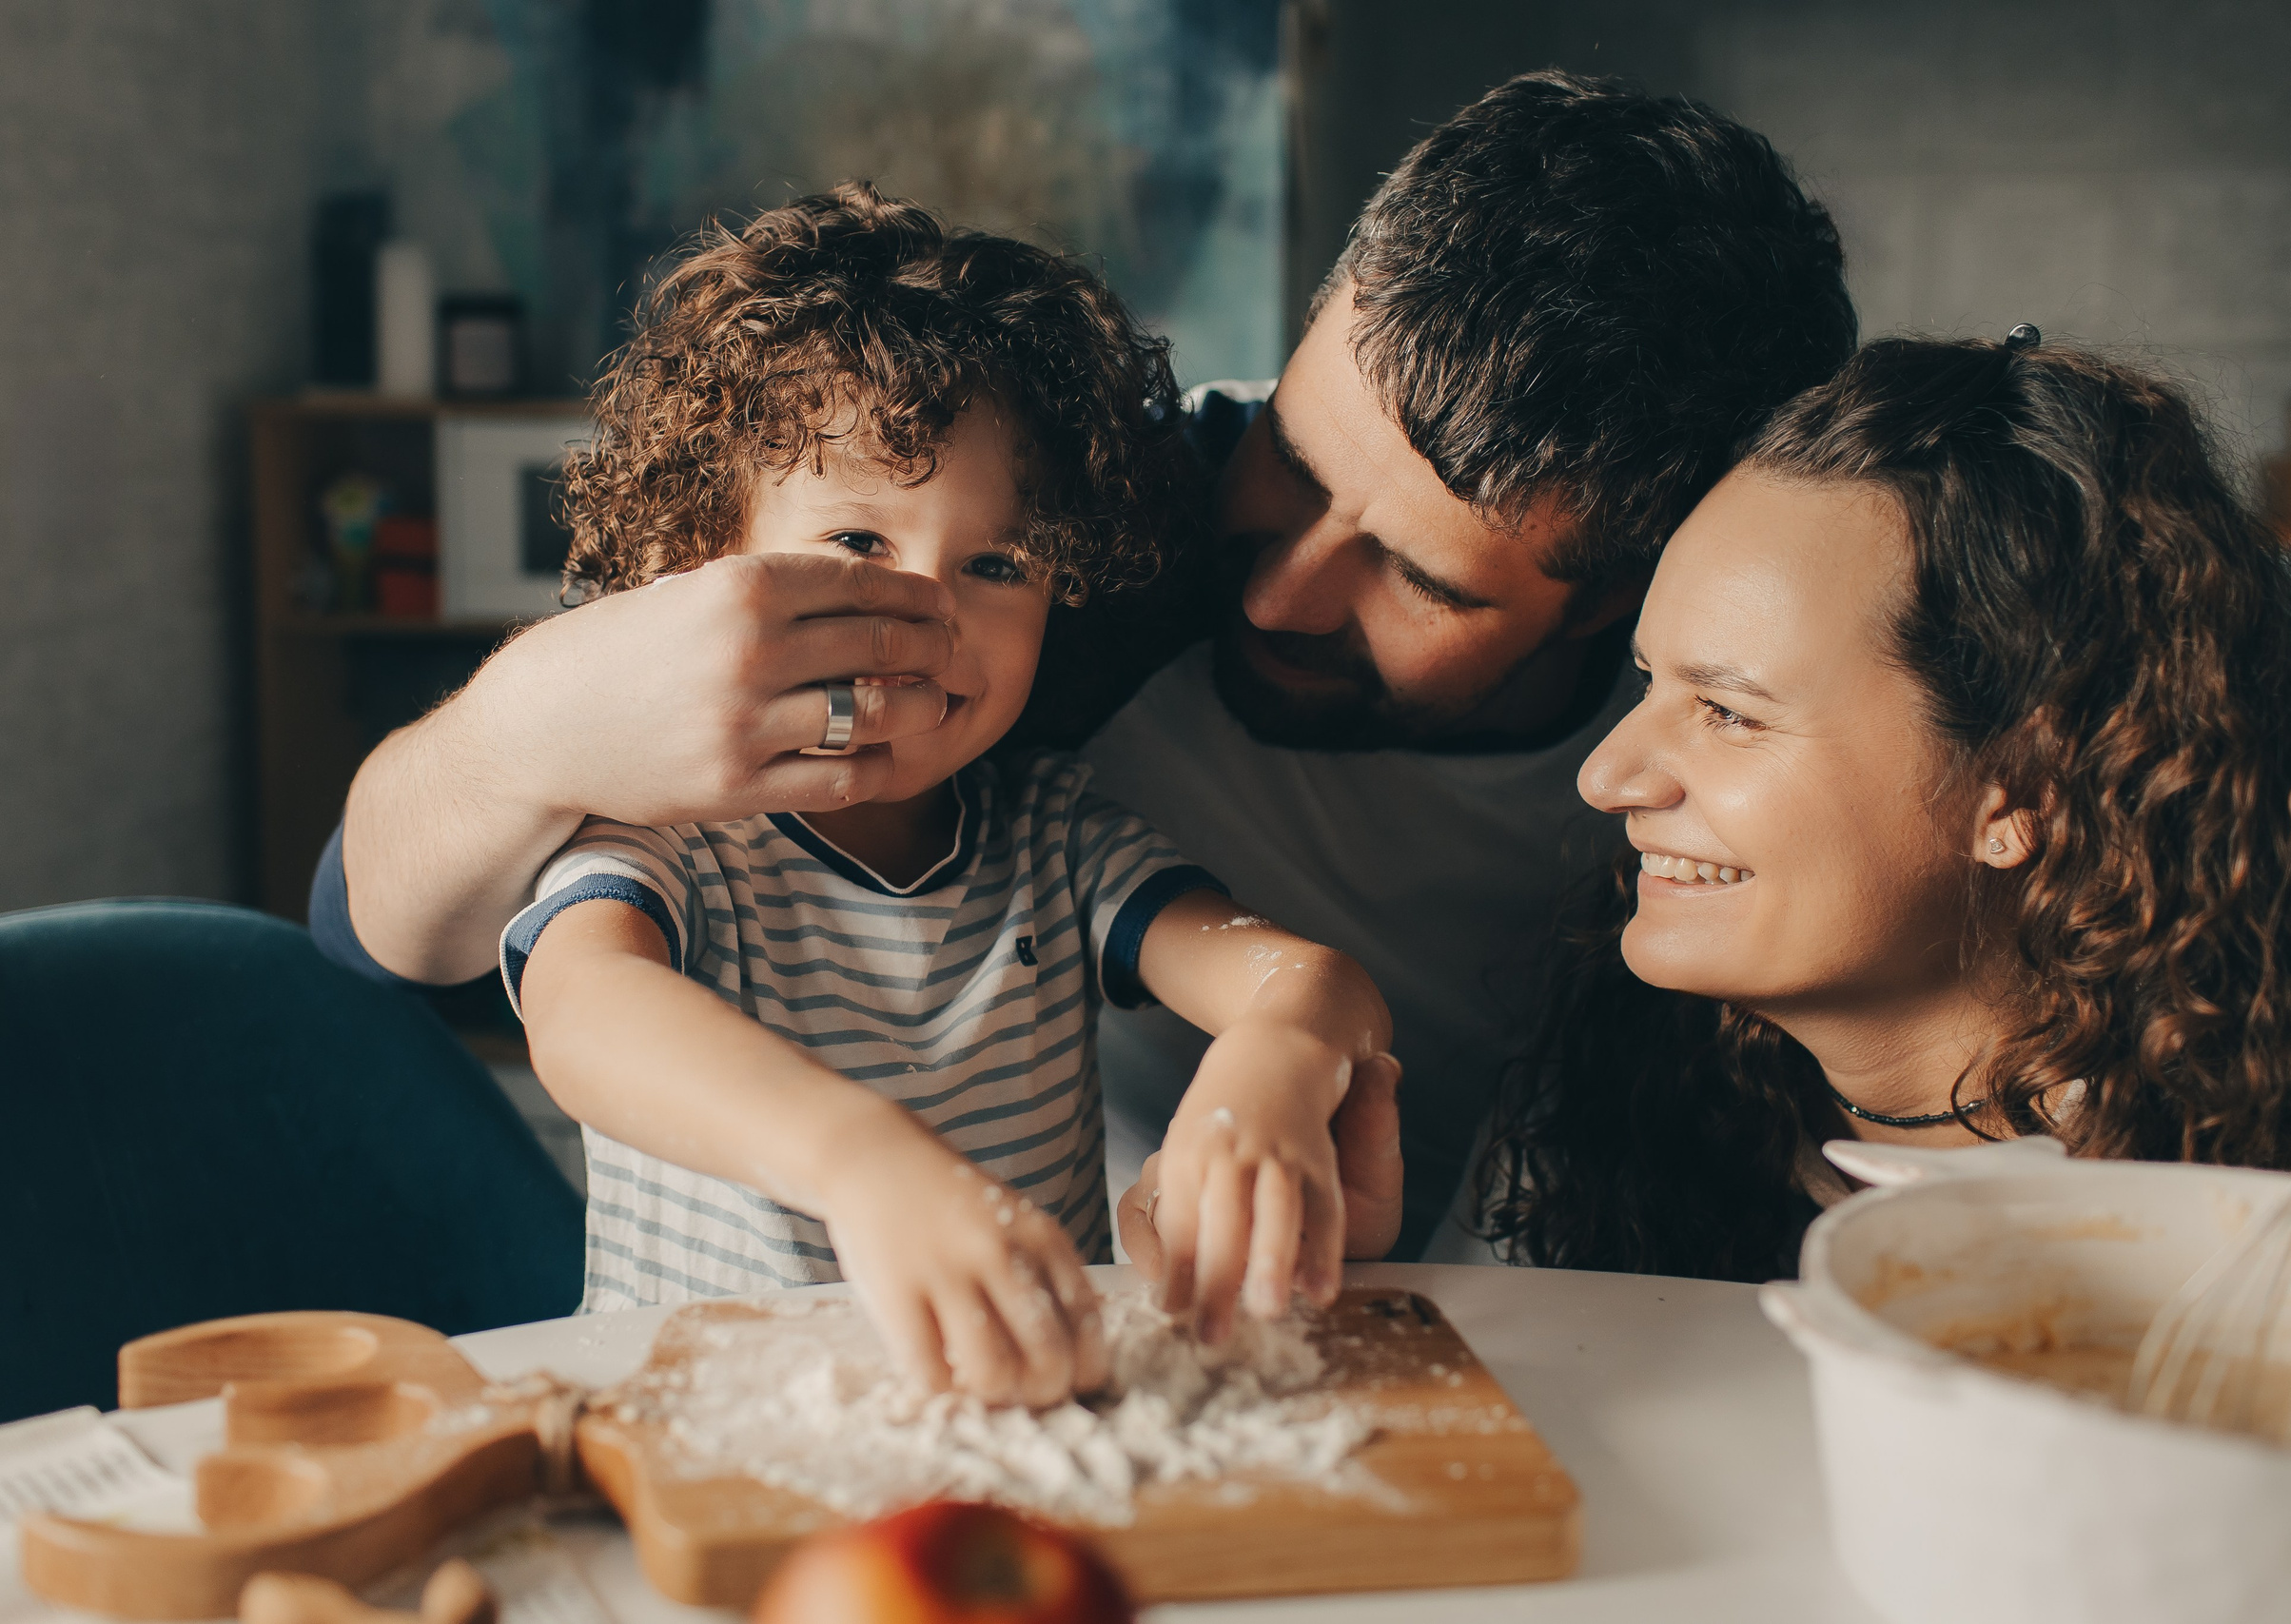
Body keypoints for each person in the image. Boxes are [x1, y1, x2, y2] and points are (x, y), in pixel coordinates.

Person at [309, 71, 1859, 1259]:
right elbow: (376, 929)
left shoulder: (1708, 754)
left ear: (1617, 602)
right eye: (1298, 463)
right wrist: (530, 732)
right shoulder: (1069, 544)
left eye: (1417, 577)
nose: (1282, 595)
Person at [500, 186, 1397, 1407]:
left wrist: (1279, 1061)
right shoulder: (667, 832)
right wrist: (861, 1161)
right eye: (859, 545)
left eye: (995, 565)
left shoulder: (1054, 838)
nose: (926, 614)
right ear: (698, 564)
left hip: (1031, 1433)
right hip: (713, 1429)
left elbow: (1308, 981)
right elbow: (587, 1014)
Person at [1476, 333, 2291, 1283]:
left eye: (1726, 712)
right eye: (1646, 682)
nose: (1606, 777)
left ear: (2022, 792)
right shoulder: (1618, 1087)